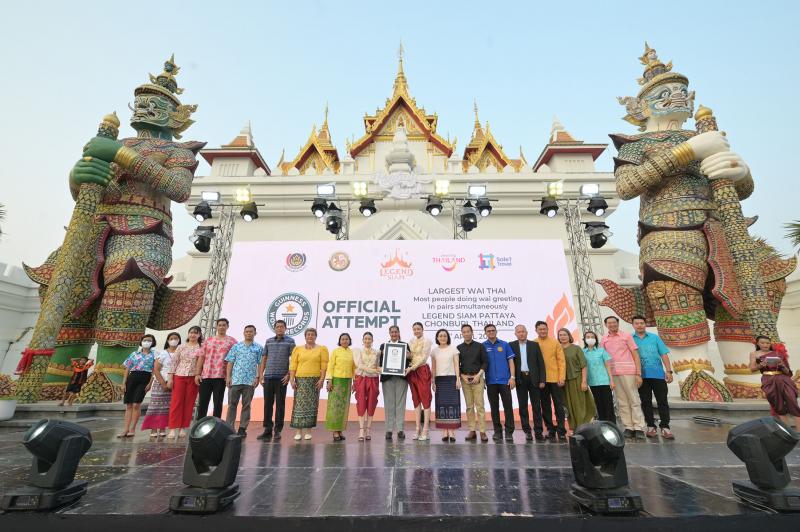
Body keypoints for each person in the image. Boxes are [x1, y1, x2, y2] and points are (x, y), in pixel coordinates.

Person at [601, 316, 645, 440]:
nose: (612, 325)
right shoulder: (604, 339)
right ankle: (628, 426)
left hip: (629, 372)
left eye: (614, 322)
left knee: (634, 399)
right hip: (614, 374)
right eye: (609, 323)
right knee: (622, 401)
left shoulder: (626, 336)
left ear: (618, 323)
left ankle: (639, 427)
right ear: (606, 325)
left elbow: (635, 354)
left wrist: (638, 373)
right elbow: (604, 359)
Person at [632, 315, 675, 440]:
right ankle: (651, 426)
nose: (639, 325)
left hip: (658, 375)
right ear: (633, 325)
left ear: (645, 324)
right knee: (645, 402)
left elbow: (664, 354)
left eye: (641, 323)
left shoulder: (655, 338)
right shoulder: (630, 339)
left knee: (662, 401)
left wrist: (669, 371)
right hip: (641, 376)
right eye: (637, 323)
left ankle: (665, 427)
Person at [749, 336, 800, 431]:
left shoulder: (778, 354)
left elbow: (788, 372)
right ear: (758, 344)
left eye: (767, 343)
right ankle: (787, 432)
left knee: (792, 402)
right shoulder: (754, 354)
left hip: (784, 379)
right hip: (768, 380)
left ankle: (799, 432)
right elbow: (752, 369)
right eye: (762, 343)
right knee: (778, 405)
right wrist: (761, 365)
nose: (765, 345)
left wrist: (782, 365)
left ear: (770, 343)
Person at [257, 320, 295, 442]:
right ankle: (267, 430)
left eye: (281, 327)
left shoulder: (290, 341)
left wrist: (289, 374)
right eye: (277, 327)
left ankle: (278, 430)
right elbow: (264, 357)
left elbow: (294, 360)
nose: (279, 328)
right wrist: (261, 374)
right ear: (274, 328)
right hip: (268, 377)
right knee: (267, 405)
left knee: (280, 405)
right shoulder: (269, 341)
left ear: (285, 328)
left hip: (281, 378)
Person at [289, 328, 329, 441]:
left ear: (316, 336)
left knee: (311, 405)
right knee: (299, 406)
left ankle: (308, 431)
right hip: (300, 379)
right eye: (308, 334)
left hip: (314, 380)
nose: (310, 336)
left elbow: (324, 366)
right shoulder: (298, 349)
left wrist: (322, 379)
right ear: (305, 336)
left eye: (312, 335)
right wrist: (292, 379)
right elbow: (293, 365)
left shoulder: (322, 349)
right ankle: (298, 431)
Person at [225, 325, 264, 436]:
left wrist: (258, 377)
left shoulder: (258, 348)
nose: (248, 333)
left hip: (250, 381)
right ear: (243, 333)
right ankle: (229, 426)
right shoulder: (236, 346)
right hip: (235, 380)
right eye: (246, 332)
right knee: (232, 405)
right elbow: (230, 362)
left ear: (255, 333)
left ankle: (242, 428)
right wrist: (228, 377)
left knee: (246, 405)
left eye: (251, 332)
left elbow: (260, 364)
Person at [509, 324, 546, 442]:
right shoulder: (511, 345)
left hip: (534, 378)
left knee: (536, 406)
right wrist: (512, 378)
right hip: (520, 379)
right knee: (523, 406)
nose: (521, 333)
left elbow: (541, 363)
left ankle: (539, 431)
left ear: (527, 332)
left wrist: (542, 380)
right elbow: (510, 363)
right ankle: (527, 431)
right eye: (518, 332)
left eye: (523, 331)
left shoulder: (534, 345)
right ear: (515, 334)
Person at [195, 318, 237, 419]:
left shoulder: (232, 342)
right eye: (219, 325)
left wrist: (230, 376)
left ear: (227, 327)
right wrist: (197, 374)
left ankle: (216, 425)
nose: (221, 327)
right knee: (203, 402)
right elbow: (201, 357)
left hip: (221, 376)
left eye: (224, 325)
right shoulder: (208, 340)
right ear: (216, 326)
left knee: (218, 402)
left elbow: (235, 360)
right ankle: (200, 425)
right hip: (206, 375)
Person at [141, 332, 180, 438]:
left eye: (176, 338)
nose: (173, 340)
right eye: (171, 338)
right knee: (155, 406)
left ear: (179, 340)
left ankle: (163, 427)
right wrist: (163, 383)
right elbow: (156, 370)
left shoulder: (181, 353)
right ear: (167, 341)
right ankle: (153, 428)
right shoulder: (162, 353)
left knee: (167, 407)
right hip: (160, 383)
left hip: (174, 384)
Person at [533, 321, 567, 442]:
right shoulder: (533, 343)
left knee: (559, 405)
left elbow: (561, 361)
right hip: (541, 381)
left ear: (548, 329)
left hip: (555, 379)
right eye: (540, 329)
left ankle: (561, 430)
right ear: (536, 330)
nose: (543, 331)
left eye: (544, 329)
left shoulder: (554, 342)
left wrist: (562, 377)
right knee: (545, 406)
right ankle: (551, 429)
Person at [118, 334, 157, 438]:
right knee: (129, 405)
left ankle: (133, 429)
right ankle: (125, 429)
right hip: (132, 377)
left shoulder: (154, 355)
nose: (147, 342)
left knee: (136, 404)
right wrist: (123, 383)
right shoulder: (134, 354)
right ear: (141, 341)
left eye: (149, 340)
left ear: (152, 343)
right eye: (145, 340)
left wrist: (150, 383)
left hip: (145, 378)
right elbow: (127, 368)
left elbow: (154, 370)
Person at [167, 326, 202, 439]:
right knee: (176, 402)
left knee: (189, 403)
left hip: (193, 378)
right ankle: (172, 428)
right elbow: (174, 362)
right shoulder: (181, 347)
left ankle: (183, 427)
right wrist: (170, 378)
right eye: (191, 332)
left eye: (195, 333)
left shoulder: (201, 347)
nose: (193, 335)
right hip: (179, 376)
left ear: (199, 335)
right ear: (188, 334)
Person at [482, 324, 515, 442]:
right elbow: (481, 364)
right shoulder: (483, 346)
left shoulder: (505, 344)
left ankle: (509, 432)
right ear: (485, 333)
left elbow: (511, 362)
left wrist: (512, 377)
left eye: (493, 330)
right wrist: (482, 378)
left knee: (508, 407)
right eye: (488, 331)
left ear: (496, 331)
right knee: (494, 407)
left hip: (505, 381)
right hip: (490, 382)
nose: (491, 332)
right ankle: (497, 431)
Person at [559, 328, 596, 430]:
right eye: (560, 335)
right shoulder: (557, 349)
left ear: (569, 336)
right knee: (568, 405)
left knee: (579, 403)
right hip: (563, 382)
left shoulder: (576, 348)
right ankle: (573, 427)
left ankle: (583, 427)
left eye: (565, 334)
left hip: (577, 379)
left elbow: (583, 365)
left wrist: (584, 381)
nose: (563, 337)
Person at [458, 324, 489, 442]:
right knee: (469, 406)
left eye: (468, 331)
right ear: (462, 333)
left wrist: (478, 375)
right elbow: (457, 365)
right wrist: (462, 376)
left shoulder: (480, 346)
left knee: (480, 406)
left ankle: (482, 432)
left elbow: (485, 362)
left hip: (478, 379)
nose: (466, 333)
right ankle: (472, 430)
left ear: (472, 332)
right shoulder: (459, 348)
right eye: (464, 332)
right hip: (465, 380)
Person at [379, 325, 411, 441]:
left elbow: (410, 360)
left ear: (399, 333)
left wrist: (409, 356)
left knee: (400, 404)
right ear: (389, 333)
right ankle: (388, 430)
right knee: (389, 404)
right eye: (392, 332)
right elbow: (379, 363)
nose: (394, 334)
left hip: (401, 378)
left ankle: (400, 430)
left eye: (395, 332)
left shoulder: (405, 345)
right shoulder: (383, 346)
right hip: (388, 378)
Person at [431, 328, 461, 442]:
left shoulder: (453, 349)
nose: (442, 338)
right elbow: (433, 368)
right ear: (437, 338)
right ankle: (444, 431)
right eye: (440, 336)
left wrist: (458, 379)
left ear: (448, 337)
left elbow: (456, 365)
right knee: (441, 405)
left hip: (451, 379)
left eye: (444, 336)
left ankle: (452, 432)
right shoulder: (434, 351)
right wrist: (433, 381)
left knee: (453, 405)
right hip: (439, 380)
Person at [325, 333, 355, 441]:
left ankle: (340, 430)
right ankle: (335, 431)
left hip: (347, 381)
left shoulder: (352, 352)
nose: (345, 341)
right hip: (336, 381)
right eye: (342, 339)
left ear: (349, 340)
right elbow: (330, 366)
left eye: (347, 339)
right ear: (339, 340)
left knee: (344, 407)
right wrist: (329, 381)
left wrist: (354, 382)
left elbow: (353, 368)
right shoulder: (335, 351)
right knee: (335, 407)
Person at [407, 322, 433, 441]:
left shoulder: (427, 341)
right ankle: (417, 428)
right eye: (414, 329)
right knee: (416, 400)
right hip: (412, 373)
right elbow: (409, 356)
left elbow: (423, 357)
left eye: (418, 329)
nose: (416, 331)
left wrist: (411, 367)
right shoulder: (410, 342)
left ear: (422, 329)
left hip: (422, 370)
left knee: (425, 399)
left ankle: (426, 430)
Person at [583, 331, 616, 423]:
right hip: (592, 382)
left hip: (604, 381)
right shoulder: (582, 352)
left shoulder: (601, 351)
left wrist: (611, 380)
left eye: (592, 337)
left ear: (596, 339)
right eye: (588, 337)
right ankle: (603, 425)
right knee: (598, 404)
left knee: (608, 404)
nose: (590, 339)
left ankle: (612, 425)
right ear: (585, 339)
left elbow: (608, 366)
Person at [353, 332, 380, 441]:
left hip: (373, 379)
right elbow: (360, 365)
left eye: (369, 339)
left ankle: (368, 429)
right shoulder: (358, 351)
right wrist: (375, 370)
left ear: (372, 340)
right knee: (361, 402)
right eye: (366, 339)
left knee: (371, 402)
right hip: (361, 378)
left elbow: (378, 366)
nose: (367, 340)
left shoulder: (377, 352)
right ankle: (361, 429)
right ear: (363, 340)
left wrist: (380, 369)